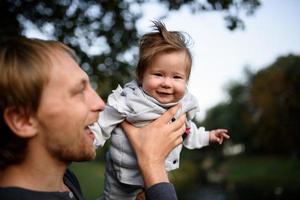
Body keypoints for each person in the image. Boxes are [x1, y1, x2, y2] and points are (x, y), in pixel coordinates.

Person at [0, 36, 185, 200]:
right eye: (79, 91)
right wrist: (153, 166)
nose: (100, 104)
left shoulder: (64, 180)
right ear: (22, 120)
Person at [91, 21, 230, 200]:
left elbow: (187, 132)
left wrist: (208, 136)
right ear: (142, 76)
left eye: (177, 77)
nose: (166, 83)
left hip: (157, 173)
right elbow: (104, 121)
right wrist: (91, 139)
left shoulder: (182, 106)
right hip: (123, 171)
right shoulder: (130, 99)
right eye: (158, 74)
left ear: (186, 81)